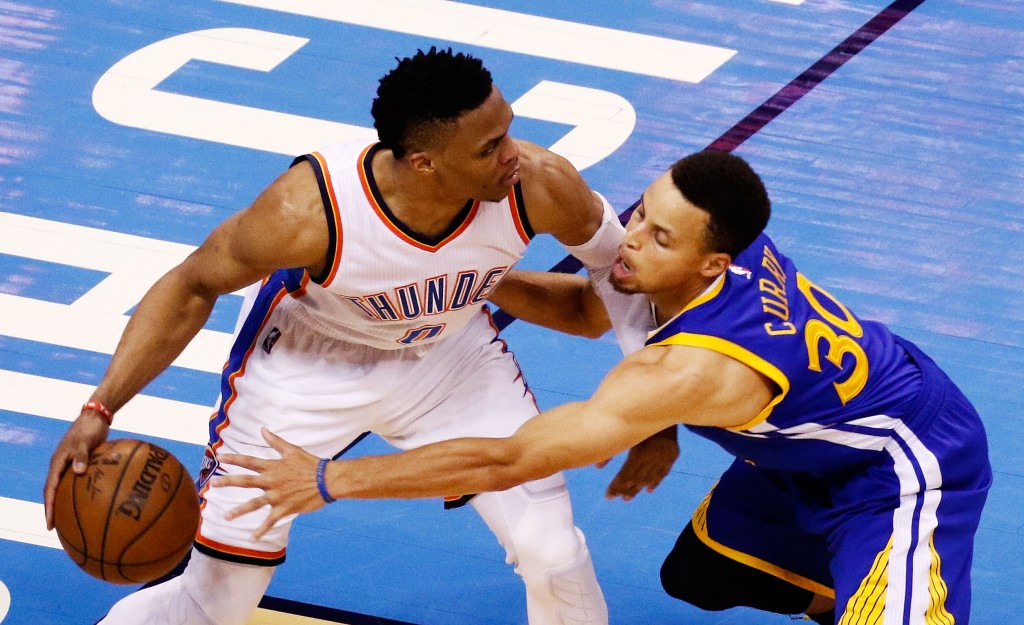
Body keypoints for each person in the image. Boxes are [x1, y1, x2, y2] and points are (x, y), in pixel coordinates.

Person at [214, 150, 993, 625]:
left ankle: (884, 591)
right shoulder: (693, 232)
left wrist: (329, 478)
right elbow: (594, 308)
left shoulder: (695, 368)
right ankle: (851, 594)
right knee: (700, 574)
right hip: (794, 457)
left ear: (713, 264)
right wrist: (469, 278)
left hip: (904, 468)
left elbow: (508, 460)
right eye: (643, 212)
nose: (630, 240)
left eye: (658, 237)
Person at [43, 47, 621, 625]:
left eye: (508, 131)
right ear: (424, 163)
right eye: (489, 147)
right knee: (217, 598)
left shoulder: (540, 184)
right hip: (307, 364)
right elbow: (192, 284)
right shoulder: (309, 211)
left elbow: (614, 295)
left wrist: (650, 407)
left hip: (449, 358)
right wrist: (101, 406)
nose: (512, 154)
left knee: (556, 555)